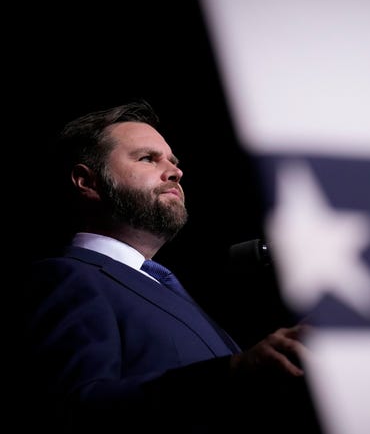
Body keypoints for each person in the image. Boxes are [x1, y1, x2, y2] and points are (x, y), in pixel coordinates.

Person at [19, 100, 323, 433]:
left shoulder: (166, 289)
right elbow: (78, 408)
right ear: (86, 182)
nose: (176, 171)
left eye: (173, 161)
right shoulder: (67, 277)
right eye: (147, 158)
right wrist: (234, 371)